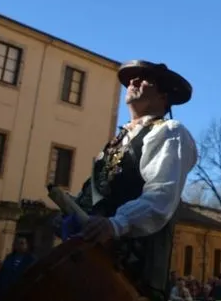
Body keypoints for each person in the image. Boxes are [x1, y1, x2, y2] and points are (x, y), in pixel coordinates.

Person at [60, 60, 198, 301]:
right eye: (132, 79)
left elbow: (160, 197)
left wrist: (116, 224)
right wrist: (70, 212)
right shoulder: (117, 141)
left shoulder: (170, 132)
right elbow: (94, 196)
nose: (133, 82)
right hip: (90, 267)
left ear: (163, 96)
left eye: (145, 79)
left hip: (131, 277)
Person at [0, 236, 35, 301]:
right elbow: (1, 273)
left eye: (23, 243)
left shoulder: (31, 259)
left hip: (19, 293)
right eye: (19, 243)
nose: (22, 245)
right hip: (4, 293)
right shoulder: (9, 257)